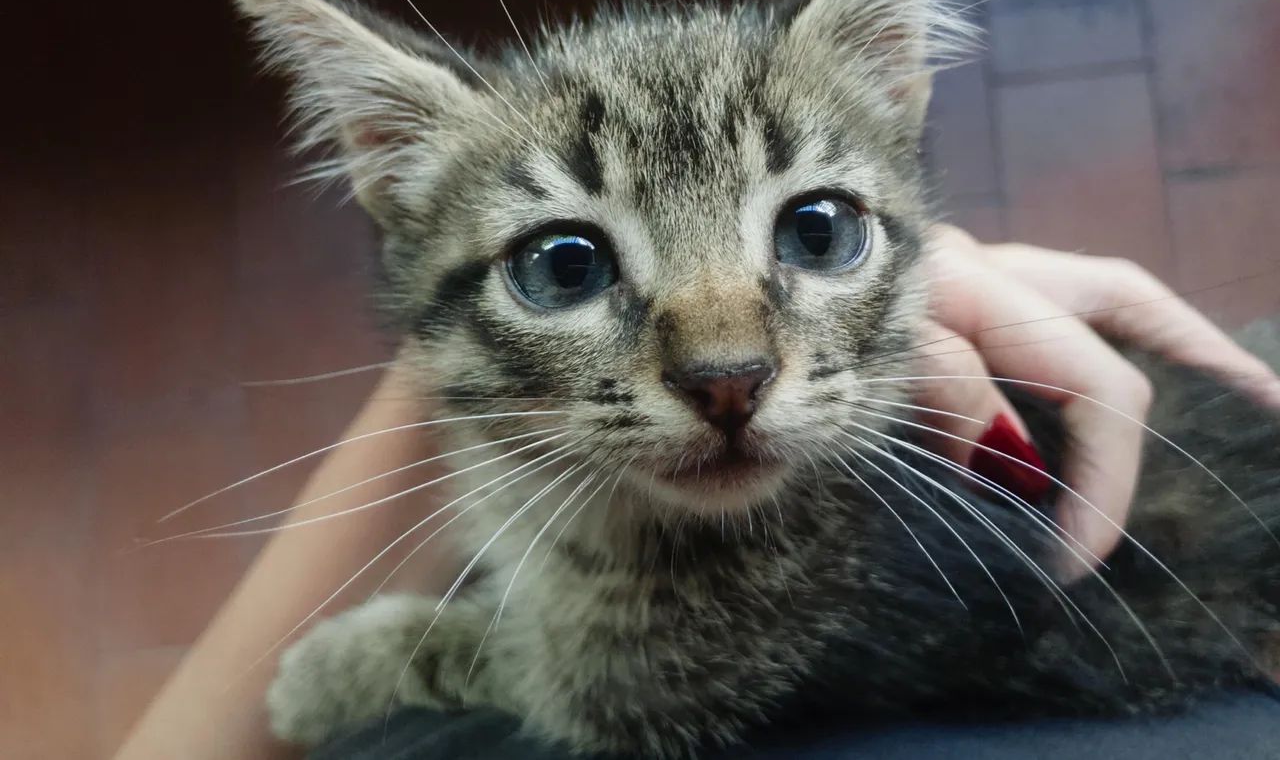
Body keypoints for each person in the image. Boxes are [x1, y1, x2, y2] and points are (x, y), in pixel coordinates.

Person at [115, 228, 1280, 759]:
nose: (726, 366)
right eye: (566, 261)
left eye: (811, 230)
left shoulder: (715, 630)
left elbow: (586, 688)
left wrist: (419, 651)